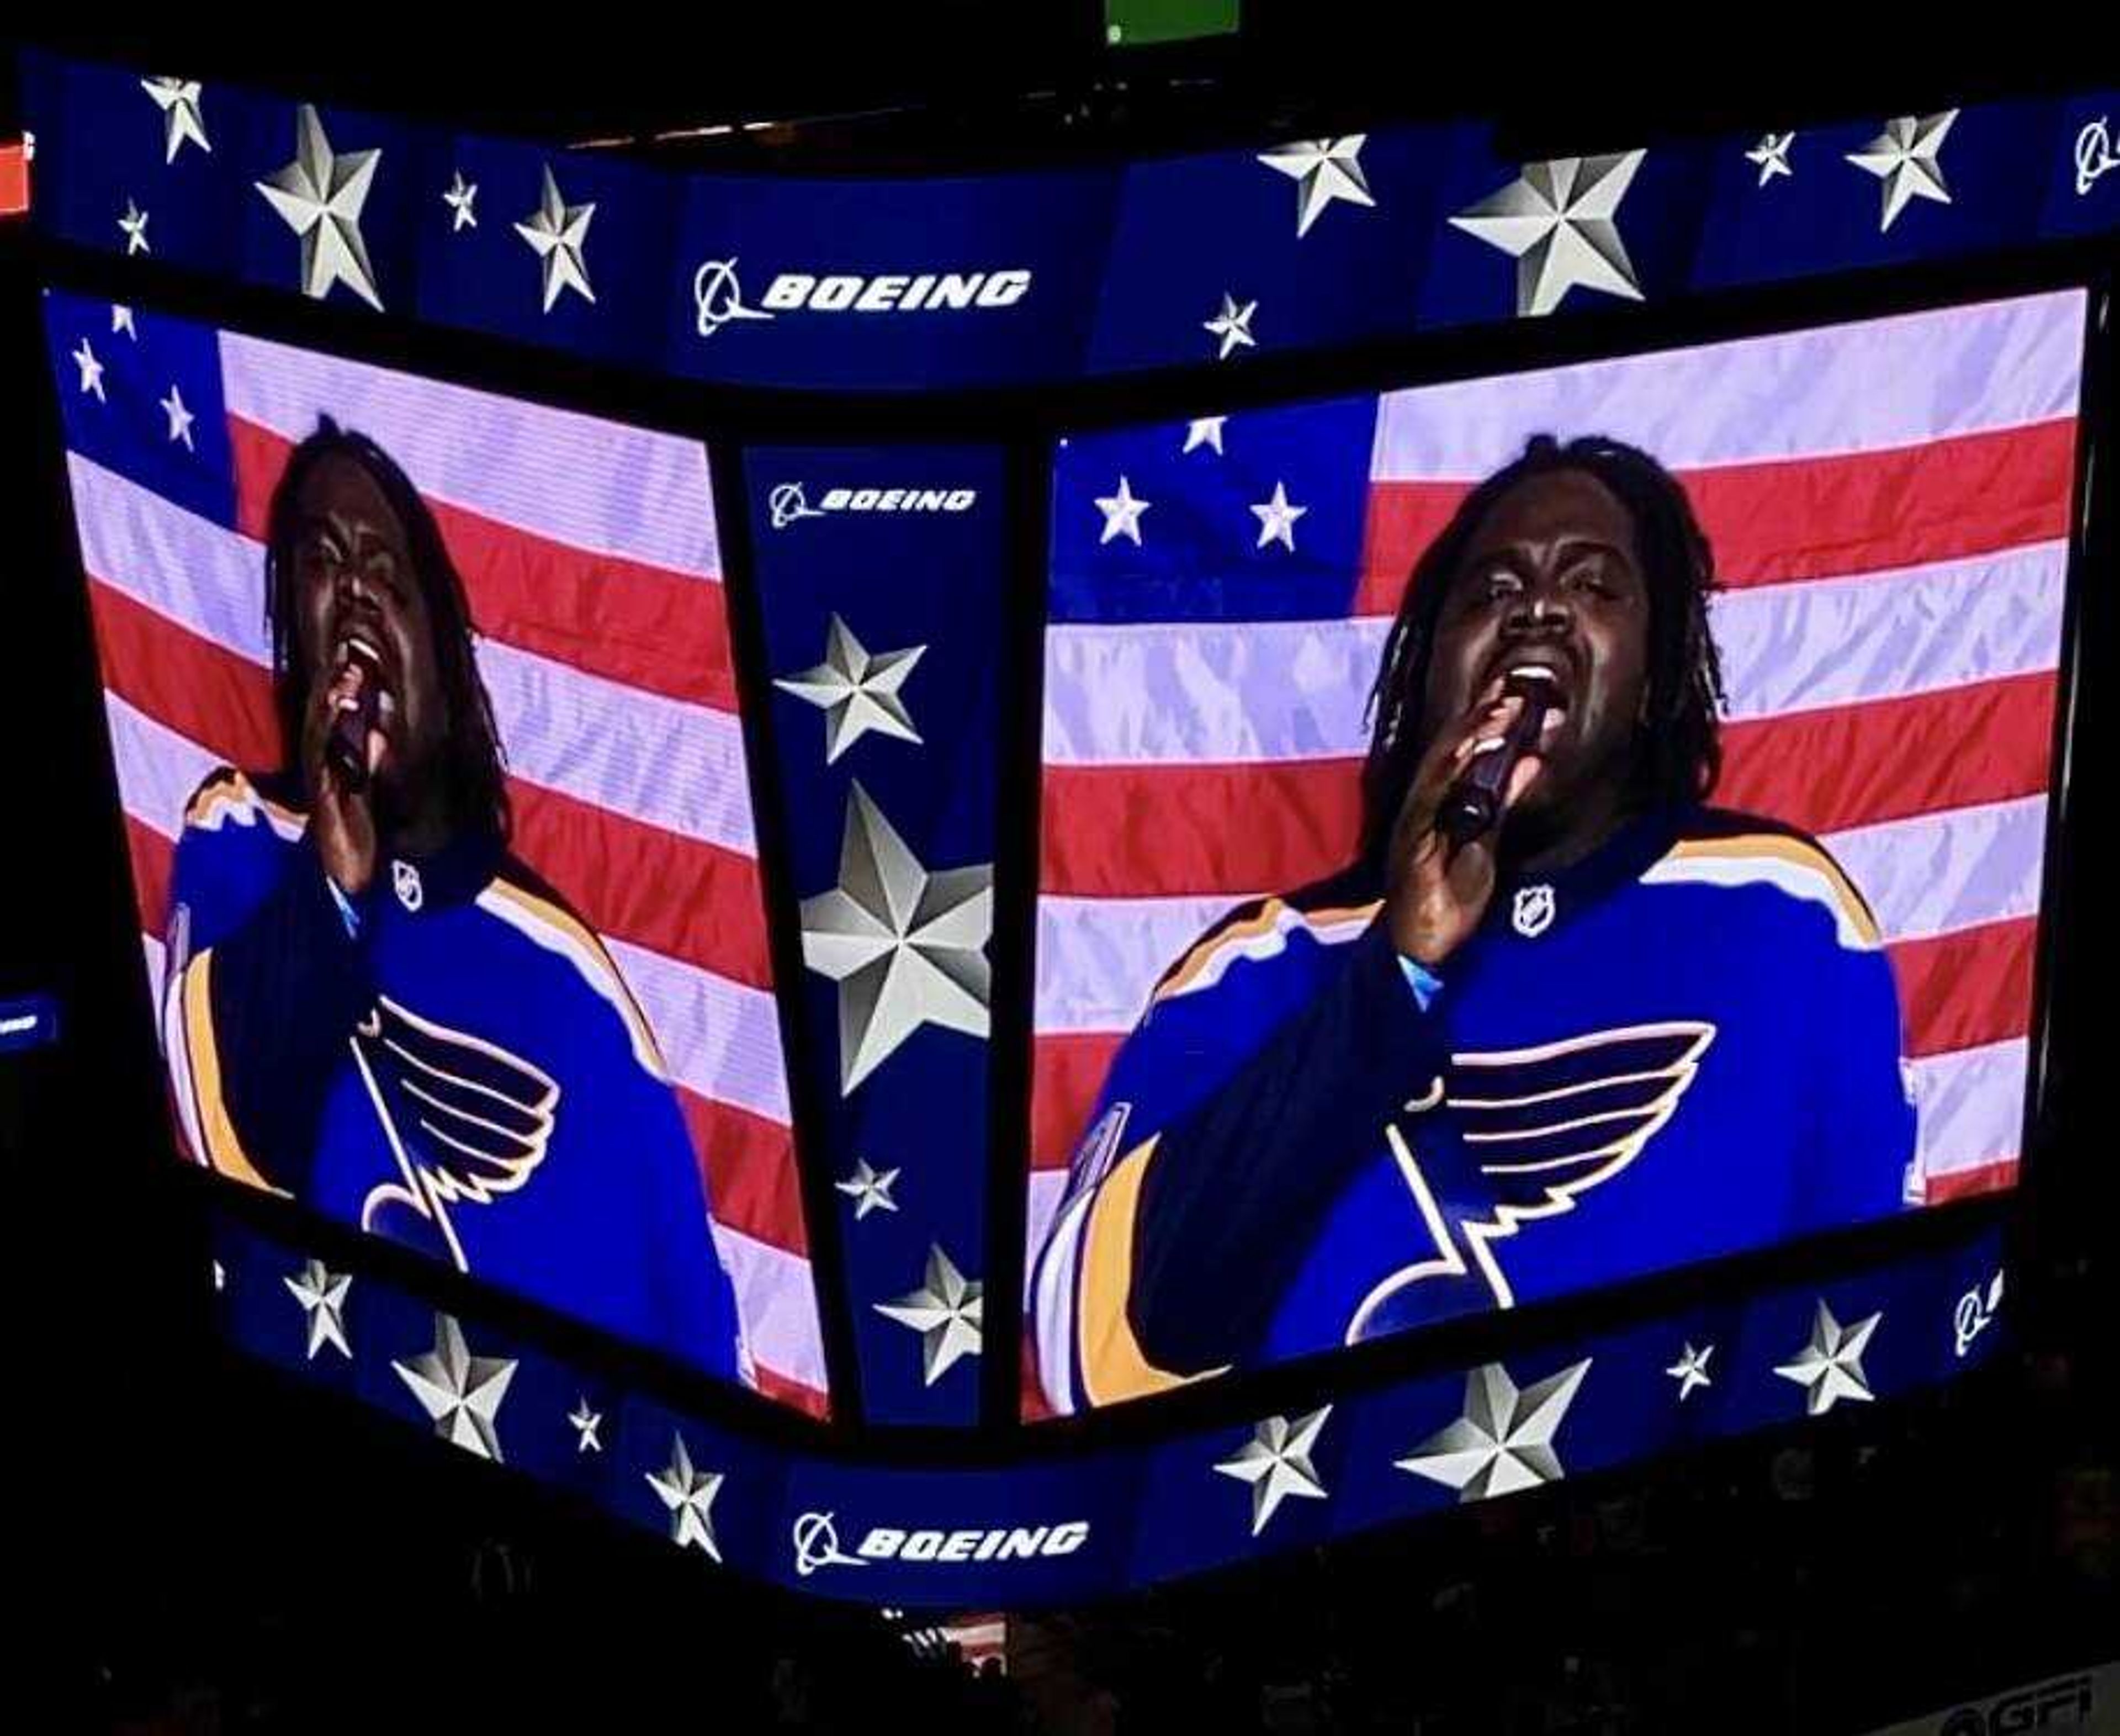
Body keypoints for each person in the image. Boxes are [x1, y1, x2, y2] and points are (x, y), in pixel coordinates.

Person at [1032, 434, 1917, 1414]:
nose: (1538, 610)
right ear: (1425, 670)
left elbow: (1874, 1326)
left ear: (1658, 678)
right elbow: (1095, 1351)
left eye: (1593, 586)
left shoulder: (1781, 916)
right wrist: (1392, 976)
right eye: (1493, 593)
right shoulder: (1254, 966)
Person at [161, 419, 745, 1381]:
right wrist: (333, 886)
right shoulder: (241, 835)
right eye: (321, 563)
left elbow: (697, 1330)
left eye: (386, 573)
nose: (353, 590)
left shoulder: (573, 976)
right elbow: (231, 1122)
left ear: (444, 654)